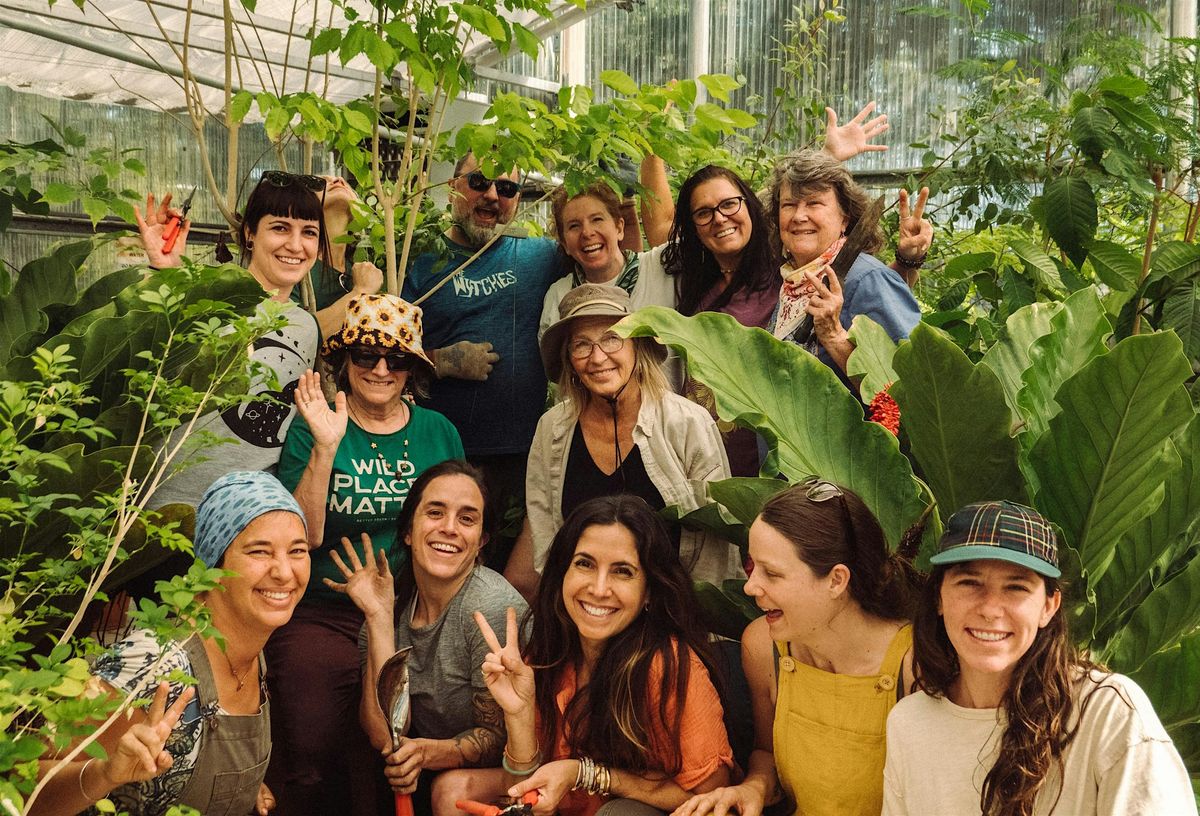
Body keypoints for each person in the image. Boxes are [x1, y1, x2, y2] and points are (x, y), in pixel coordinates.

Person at [266, 292, 463, 816]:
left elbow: (459, 523)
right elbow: (303, 535)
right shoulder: (316, 425)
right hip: (321, 611)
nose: (380, 368)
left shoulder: (438, 432)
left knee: (398, 742)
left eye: (395, 358)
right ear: (343, 361)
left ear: (411, 369)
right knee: (311, 737)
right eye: (365, 355)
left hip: (408, 611)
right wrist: (327, 447)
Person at [882, 501, 1196, 816]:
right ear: (938, 596)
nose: (990, 609)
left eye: (1016, 588)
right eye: (970, 583)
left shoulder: (1106, 711)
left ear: (1049, 606)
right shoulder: (910, 724)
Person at [29, 471, 310, 816]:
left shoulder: (252, 646)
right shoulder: (153, 664)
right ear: (215, 562)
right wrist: (103, 774)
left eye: (297, 550)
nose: (284, 572)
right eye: (259, 551)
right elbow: (23, 792)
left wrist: (245, 784)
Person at [444, 495, 735, 816]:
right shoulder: (546, 652)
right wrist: (520, 714)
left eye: (622, 571)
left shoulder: (665, 663)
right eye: (584, 563)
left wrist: (590, 775)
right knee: (452, 792)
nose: (598, 588)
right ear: (561, 574)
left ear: (649, 591)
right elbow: (528, 788)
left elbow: (713, 799)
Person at [675, 479, 920, 816]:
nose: (750, 587)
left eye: (771, 574)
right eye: (752, 567)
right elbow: (767, 753)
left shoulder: (912, 665)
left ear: (836, 580)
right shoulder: (764, 646)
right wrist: (755, 786)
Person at [505, 283, 740, 600]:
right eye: (581, 345)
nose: (597, 357)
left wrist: (696, 628)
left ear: (637, 346)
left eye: (612, 339)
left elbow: (716, 546)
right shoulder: (552, 429)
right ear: (570, 361)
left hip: (670, 610)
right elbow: (547, 535)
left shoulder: (687, 423)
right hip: (587, 606)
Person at [323, 460, 528, 812]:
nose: (449, 528)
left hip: (519, 769)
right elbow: (382, 735)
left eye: (467, 518)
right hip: (433, 769)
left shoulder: (487, 608)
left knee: (449, 792)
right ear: (407, 530)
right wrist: (378, 617)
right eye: (435, 512)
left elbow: (499, 738)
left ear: (482, 541)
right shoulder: (395, 604)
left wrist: (427, 753)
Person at [402, 153, 559, 567]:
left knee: (509, 569)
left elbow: (616, 265)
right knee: (442, 563)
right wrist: (440, 360)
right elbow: (379, 354)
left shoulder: (539, 256)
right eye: (480, 182)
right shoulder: (415, 259)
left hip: (521, 455)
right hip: (442, 453)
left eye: (506, 189)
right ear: (453, 185)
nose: (492, 195)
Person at [139, 172, 324, 507]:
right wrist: (164, 274)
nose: (296, 245)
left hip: (252, 515)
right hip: (170, 507)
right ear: (250, 233)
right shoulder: (205, 297)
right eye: (280, 227)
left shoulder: (306, 327)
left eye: (309, 232)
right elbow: (144, 364)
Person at [764, 150, 923, 383]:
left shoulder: (868, 279)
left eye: (814, 203)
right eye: (789, 204)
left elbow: (908, 393)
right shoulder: (794, 281)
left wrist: (834, 336)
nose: (799, 216)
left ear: (845, 219)